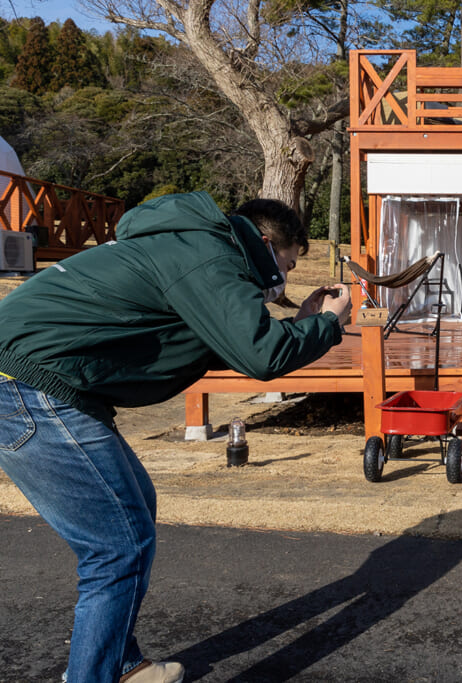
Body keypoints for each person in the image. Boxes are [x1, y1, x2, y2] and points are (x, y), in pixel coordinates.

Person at [0, 191, 352, 683]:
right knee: (116, 547)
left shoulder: (190, 246)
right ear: (267, 243)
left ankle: (120, 663)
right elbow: (262, 356)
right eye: (289, 266)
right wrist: (330, 323)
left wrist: (303, 324)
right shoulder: (210, 257)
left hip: (39, 384)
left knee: (135, 511)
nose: (286, 278)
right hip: (30, 387)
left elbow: (231, 340)